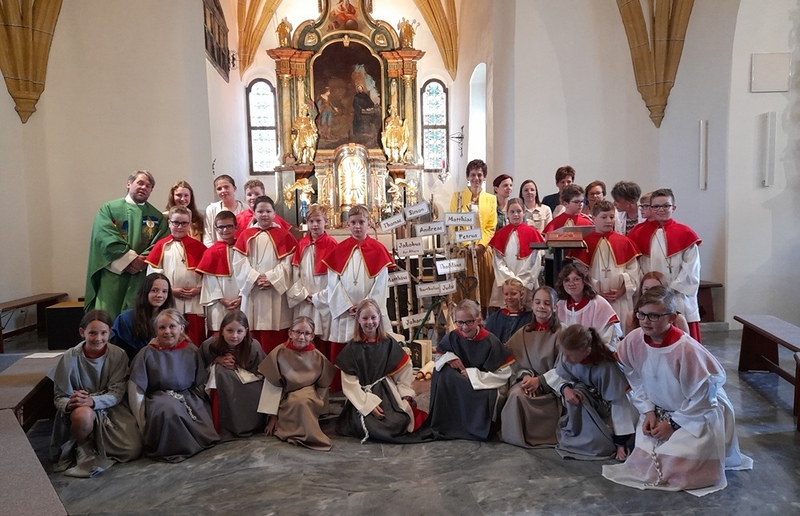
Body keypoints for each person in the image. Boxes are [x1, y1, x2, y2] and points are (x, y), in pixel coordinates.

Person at [603, 287, 753, 495]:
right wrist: (648, 411)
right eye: (641, 314)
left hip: (696, 415)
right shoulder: (634, 340)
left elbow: (704, 397)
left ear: (671, 318)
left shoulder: (686, 349)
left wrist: (673, 425)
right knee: (643, 464)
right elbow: (634, 378)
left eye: (654, 316)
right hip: (659, 411)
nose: (645, 321)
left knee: (679, 471)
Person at [50, 310, 142, 478]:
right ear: (82, 332)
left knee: (132, 449)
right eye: (92, 333)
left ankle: (100, 445)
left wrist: (93, 401)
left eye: (103, 333)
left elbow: (116, 393)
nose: (98, 338)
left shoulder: (118, 355)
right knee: (83, 415)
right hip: (80, 410)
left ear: (110, 332)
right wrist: (71, 403)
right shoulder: (69, 357)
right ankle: (83, 446)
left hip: (109, 407)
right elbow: (59, 397)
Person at [128, 309, 219, 462]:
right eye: (162, 328)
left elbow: (200, 381)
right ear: (156, 330)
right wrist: (141, 422)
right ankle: (175, 448)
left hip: (189, 396)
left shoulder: (191, 350)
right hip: (159, 397)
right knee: (169, 410)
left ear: (181, 328)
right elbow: (136, 387)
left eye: (172, 326)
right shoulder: (147, 353)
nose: (167, 331)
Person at [324, 204, 394, 391]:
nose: (357, 226)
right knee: (345, 348)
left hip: (369, 312)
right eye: (353, 222)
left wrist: (365, 309)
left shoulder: (378, 249)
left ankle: (371, 385)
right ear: (347, 224)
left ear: (368, 223)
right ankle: (342, 389)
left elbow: (381, 284)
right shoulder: (339, 250)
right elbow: (333, 282)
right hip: (345, 312)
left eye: (361, 222)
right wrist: (346, 306)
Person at [335, 299, 426, 443]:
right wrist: (368, 405)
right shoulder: (352, 348)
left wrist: (405, 394)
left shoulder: (388, 343)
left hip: (387, 393)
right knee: (371, 424)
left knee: (398, 421)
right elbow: (350, 385)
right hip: (362, 396)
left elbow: (403, 372)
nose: (370, 322)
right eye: (365, 318)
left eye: (373, 317)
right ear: (358, 319)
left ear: (379, 317)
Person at [85, 170, 169, 319]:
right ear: (129, 184)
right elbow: (105, 237)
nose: (143, 187)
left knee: (137, 319)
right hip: (113, 273)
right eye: (140, 183)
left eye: (148, 186)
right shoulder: (109, 209)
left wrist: (142, 262)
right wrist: (130, 260)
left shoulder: (157, 216)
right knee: (107, 318)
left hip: (140, 276)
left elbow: (160, 242)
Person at [427, 299, 514, 441]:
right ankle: (447, 424)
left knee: (486, 395)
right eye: (460, 322)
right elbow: (439, 357)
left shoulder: (490, 341)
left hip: (481, 384)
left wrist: (473, 375)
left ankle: (474, 427)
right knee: (442, 373)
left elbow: (503, 374)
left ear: (478, 320)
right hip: (459, 380)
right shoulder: (452, 337)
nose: (464, 327)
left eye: (469, 322)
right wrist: (449, 357)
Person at [627, 188, 703, 342]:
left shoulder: (686, 233)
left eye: (666, 206)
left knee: (682, 340)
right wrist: (648, 289)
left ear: (673, 208)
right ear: (650, 207)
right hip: (647, 296)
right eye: (656, 206)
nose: (661, 210)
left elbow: (691, 269)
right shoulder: (637, 233)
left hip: (677, 295)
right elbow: (634, 266)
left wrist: (669, 290)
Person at [555, 324, 638, 461]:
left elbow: (619, 403)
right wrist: (565, 388)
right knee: (577, 394)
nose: (565, 359)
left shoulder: (606, 366)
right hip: (585, 398)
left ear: (587, 351)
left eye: (570, 355)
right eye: (563, 353)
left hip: (608, 409)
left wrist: (621, 442)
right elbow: (561, 377)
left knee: (602, 446)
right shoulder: (567, 356)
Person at [499, 287, 565, 448]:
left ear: (555, 307)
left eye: (547, 303)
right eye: (538, 302)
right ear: (532, 305)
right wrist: (526, 377)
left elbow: (566, 367)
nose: (541, 306)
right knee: (515, 395)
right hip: (528, 381)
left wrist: (540, 381)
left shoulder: (563, 333)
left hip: (552, 386)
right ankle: (516, 437)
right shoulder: (523, 332)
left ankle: (547, 435)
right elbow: (513, 360)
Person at [258, 316, 336, 451]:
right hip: (287, 395)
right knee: (297, 401)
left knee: (303, 402)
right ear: (290, 333)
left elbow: (323, 385)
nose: (302, 337)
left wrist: (321, 409)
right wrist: (273, 417)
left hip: (310, 394)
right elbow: (272, 384)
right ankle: (299, 434)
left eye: (307, 333)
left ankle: (309, 437)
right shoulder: (279, 353)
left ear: (312, 336)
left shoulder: (318, 357)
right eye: (298, 332)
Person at [233, 195, 297, 354]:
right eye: (260, 211)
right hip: (253, 291)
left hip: (275, 292)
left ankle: (275, 364)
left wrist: (271, 279)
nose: (264, 215)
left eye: (268, 211)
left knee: (275, 335)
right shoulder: (246, 235)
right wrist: (255, 278)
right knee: (252, 330)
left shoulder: (284, 236)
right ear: (254, 213)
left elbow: (289, 263)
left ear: (274, 213)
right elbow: (239, 263)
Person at [567, 200, 640, 323]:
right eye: (604, 217)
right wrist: (595, 291)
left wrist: (622, 290)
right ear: (594, 218)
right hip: (593, 297)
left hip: (620, 299)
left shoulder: (624, 242)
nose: (609, 221)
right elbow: (580, 273)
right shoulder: (585, 243)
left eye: (612, 217)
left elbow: (634, 270)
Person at [199, 310, 265, 440]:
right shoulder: (211, 344)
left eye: (239, 331)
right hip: (221, 382)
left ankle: (246, 424)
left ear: (246, 331)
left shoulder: (253, 346)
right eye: (230, 331)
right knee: (220, 372)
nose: (234, 336)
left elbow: (262, 372)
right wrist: (216, 360)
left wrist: (238, 367)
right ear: (222, 330)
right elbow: (199, 365)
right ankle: (219, 425)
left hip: (248, 382)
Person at [145, 206, 207, 346]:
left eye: (184, 223)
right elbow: (153, 276)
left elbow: (209, 276)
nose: (180, 227)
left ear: (190, 224)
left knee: (195, 339)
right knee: (170, 337)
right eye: (176, 223)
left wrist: (199, 289)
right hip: (170, 300)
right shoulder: (161, 246)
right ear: (169, 223)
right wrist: (170, 290)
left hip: (194, 301)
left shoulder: (200, 248)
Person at [286, 204, 337, 358]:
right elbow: (295, 273)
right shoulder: (302, 244)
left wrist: (318, 297)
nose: (315, 225)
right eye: (311, 221)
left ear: (326, 221)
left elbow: (335, 277)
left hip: (323, 300)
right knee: (303, 335)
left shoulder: (332, 244)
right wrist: (303, 294)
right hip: (304, 299)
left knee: (323, 338)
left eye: (318, 221)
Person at [449, 159, 497, 310]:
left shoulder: (491, 199)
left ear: (484, 177)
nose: (476, 178)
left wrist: (481, 245)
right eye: (473, 174)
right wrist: (466, 246)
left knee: (483, 290)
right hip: (464, 252)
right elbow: (453, 224)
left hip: (483, 251)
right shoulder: (457, 196)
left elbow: (490, 227)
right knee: (464, 289)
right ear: (468, 177)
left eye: (480, 175)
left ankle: (482, 318)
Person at [488, 197, 545, 308]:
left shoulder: (532, 233)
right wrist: (510, 280)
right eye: (512, 212)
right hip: (505, 281)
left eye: (519, 211)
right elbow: (498, 261)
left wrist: (521, 281)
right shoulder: (500, 234)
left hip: (526, 281)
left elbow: (534, 261)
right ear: (507, 214)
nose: (516, 214)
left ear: (524, 212)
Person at [555, 262, 621, 349]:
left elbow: (606, 339)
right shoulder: (560, 305)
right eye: (567, 280)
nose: (571, 283)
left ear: (585, 281)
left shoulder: (599, 304)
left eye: (576, 279)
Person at [111, 272, 175, 360]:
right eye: (154, 290)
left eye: (164, 291)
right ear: (145, 292)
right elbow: (117, 353)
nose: (160, 295)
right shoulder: (125, 320)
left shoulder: (172, 319)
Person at [197, 211, 242, 334]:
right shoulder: (211, 252)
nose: (225, 230)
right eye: (221, 227)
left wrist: (241, 297)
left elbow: (247, 274)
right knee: (218, 332)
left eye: (229, 226)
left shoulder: (243, 249)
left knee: (239, 331)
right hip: (218, 303)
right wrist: (221, 299)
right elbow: (209, 279)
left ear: (236, 227)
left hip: (241, 300)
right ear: (216, 228)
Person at [623, 271, 690, 335]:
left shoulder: (678, 319)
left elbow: (685, 341)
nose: (650, 293)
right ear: (641, 290)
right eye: (646, 289)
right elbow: (628, 341)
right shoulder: (632, 316)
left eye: (655, 289)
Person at [483, 278, 533, 343]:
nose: (509, 297)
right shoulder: (495, 318)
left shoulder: (530, 317)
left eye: (513, 294)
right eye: (506, 294)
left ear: (521, 294)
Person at [203, 175, 245, 246]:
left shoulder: (245, 208)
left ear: (234, 188)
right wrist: (213, 251)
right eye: (219, 189)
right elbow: (208, 236)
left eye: (226, 187)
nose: (223, 191)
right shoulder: (211, 209)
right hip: (218, 249)